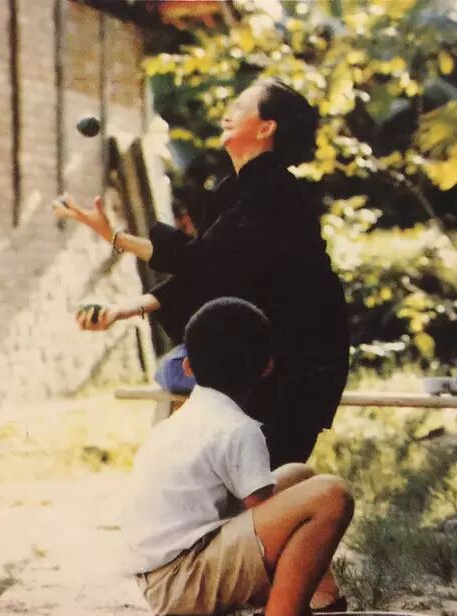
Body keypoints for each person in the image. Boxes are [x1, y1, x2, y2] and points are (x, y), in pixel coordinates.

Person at [53, 77, 350, 471]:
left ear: (266, 127)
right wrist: (122, 308)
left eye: (241, 107)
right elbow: (206, 274)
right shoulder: (236, 191)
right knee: (177, 376)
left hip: (294, 368)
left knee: (255, 485)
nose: (227, 114)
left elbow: (200, 262)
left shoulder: (276, 194)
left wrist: (116, 237)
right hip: (261, 361)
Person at [124, 297, 359, 616]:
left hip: (162, 576)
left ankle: (321, 614)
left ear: (188, 367)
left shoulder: (183, 420)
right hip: (184, 580)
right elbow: (272, 532)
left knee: (299, 476)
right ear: (267, 367)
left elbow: (262, 516)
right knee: (331, 495)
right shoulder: (238, 429)